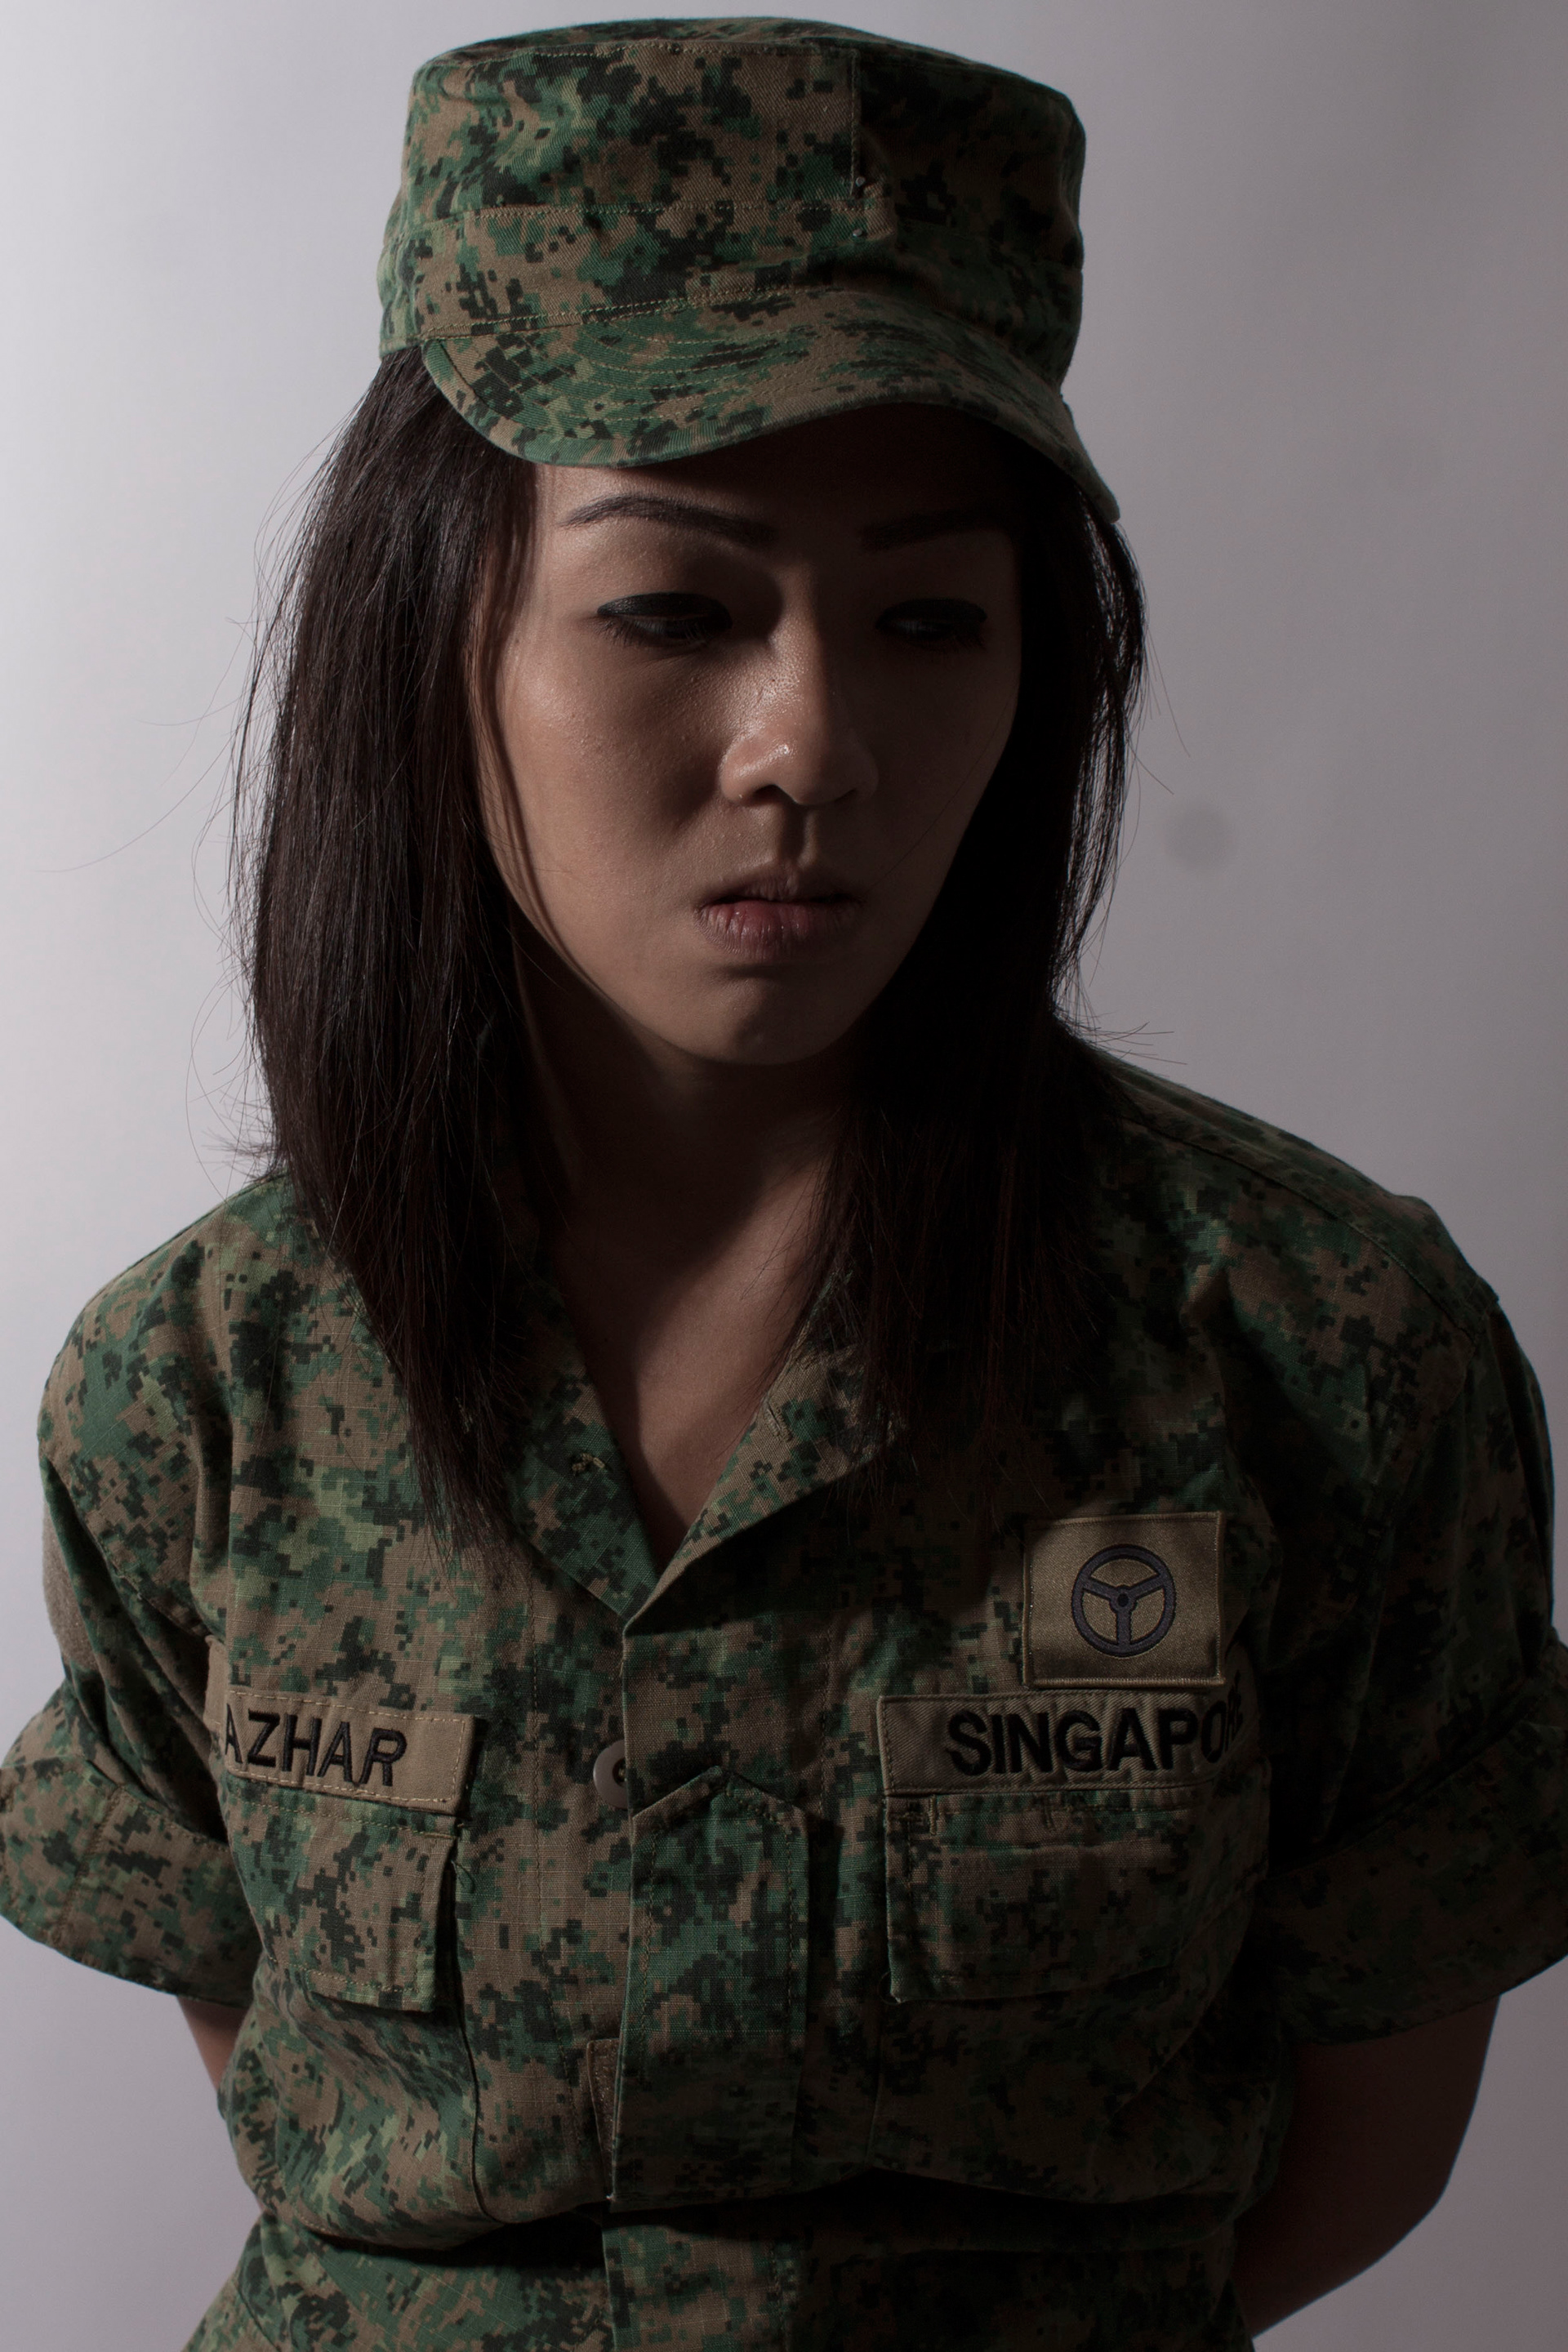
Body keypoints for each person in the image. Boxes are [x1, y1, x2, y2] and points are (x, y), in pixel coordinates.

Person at [2, 17, 1563, 2350]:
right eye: (676, 607)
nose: (812, 744)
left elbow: (1367, 2139)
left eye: (929, 619)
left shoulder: (1315, 1356)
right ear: (437, 628)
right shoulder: (201, 1389)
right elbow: (305, 2118)